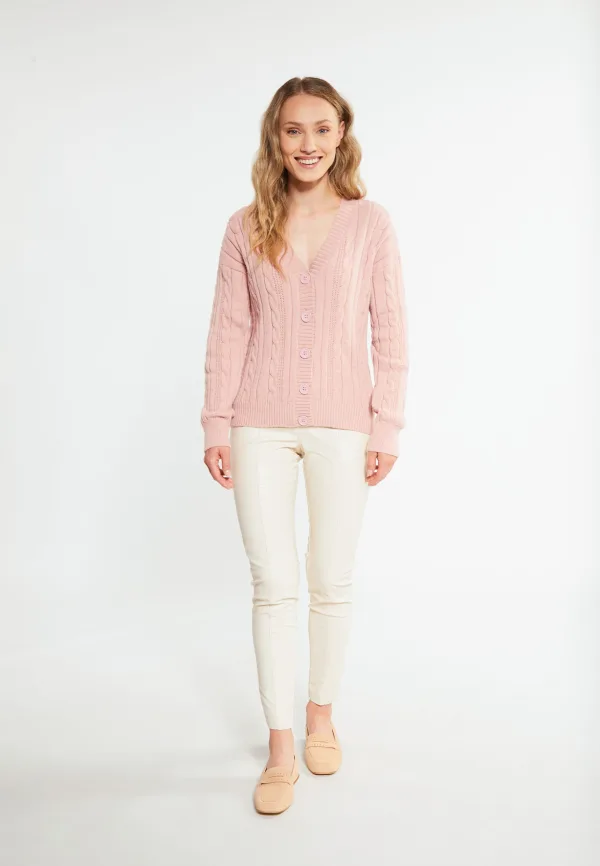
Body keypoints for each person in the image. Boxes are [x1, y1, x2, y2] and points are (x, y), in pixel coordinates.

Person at [200, 76, 409, 814]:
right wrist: (216, 422)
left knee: (331, 579)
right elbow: (228, 330)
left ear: (342, 134)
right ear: (276, 138)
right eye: (294, 130)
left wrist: (386, 424)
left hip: (343, 423)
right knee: (272, 584)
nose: (309, 143)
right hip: (257, 423)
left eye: (322, 128)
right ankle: (281, 746)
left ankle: (322, 716)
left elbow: (391, 330)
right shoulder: (245, 225)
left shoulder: (370, 224)